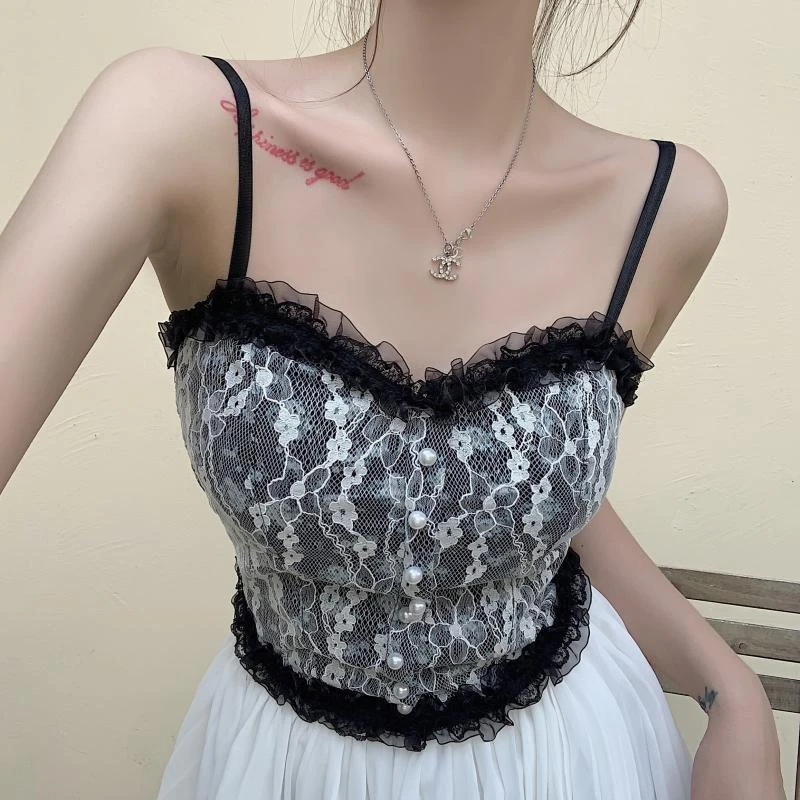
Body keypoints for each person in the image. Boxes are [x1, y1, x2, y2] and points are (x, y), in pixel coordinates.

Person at [0, 2, 787, 799]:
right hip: (289, 769)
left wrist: (730, 689)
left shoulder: (667, 208)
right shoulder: (188, 124)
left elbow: (526, 494)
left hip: (567, 758)